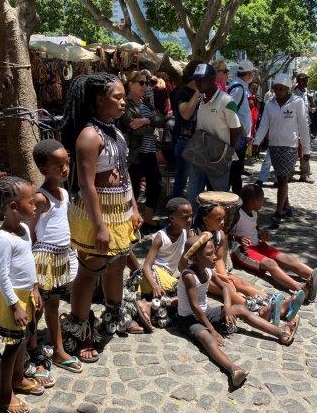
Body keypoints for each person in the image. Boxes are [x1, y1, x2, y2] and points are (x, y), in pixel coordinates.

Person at [61, 74, 142, 363]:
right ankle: (80, 329)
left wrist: (133, 207)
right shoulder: (89, 136)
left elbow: (125, 172)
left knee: (116, 266)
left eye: (123, 97)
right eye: (117, 97)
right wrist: (98, 225)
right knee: (89, 272)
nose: (123, 102)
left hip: (119, 211)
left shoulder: (116, 132)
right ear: (99, 100)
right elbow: (86, 184)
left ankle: (114, 314)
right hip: (97, 214)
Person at [176, 233, 299, 388]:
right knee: (207, 338)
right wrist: (212, 330)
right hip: (188, 318)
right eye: (209, 254)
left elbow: (226, 287)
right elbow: (195, 307)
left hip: (205, 312)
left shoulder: (207, 270)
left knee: (240, 308)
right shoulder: (189, 276)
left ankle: (280, 333)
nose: (215, 257)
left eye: (214, 252)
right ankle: (233, 369)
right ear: (195, 257)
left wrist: (227, 308)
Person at [0, 176, 46, 413]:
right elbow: (2, 277)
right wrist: (14, 305)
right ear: (12, 206)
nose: (35, 205)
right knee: (11, 348)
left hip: (27, 295)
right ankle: (4, 394)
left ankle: (19, 379)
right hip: (13, 299)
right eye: (30, 202)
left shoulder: (23, 230)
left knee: (22, 341)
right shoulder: (3, 240)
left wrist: (35, 288)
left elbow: (28, 263)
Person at [189, 203, 304, 324]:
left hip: (214, 272)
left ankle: (276, 302)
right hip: (197, 275)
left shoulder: (220, 234)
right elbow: (196, 264)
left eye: (223, 218)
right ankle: (262, 310)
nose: (222, 222)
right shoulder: (194, 235)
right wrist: (223, 280)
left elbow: (218, 259)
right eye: (218, 219)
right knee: (228, 289)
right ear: (205, 219)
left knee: (239, 282)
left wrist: (225, 277)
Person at [233, 184, 317, 301]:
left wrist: (260, 235)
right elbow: (225, 234)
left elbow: (253, 229)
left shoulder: (254, 212)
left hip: (259, 245)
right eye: (261, 200)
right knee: (271, 264)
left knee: (288, 259)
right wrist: (238, 238)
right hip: (244, 251)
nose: (263, 202)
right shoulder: (237, 215)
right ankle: (301, 289)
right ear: (251, 201)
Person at [29, 139, 83, 376]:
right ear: (43, 169)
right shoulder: (41, 199)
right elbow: (29, 233)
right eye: (58, 165)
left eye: (67, 163)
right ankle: (31, 351)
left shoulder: (63, 193)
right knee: (37, 308)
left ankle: (59, 350)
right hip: (44, 262)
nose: (65, 169)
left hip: (63, 258)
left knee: (53, 305)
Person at [253, 73, 310, 227]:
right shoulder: (270, 104)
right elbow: (264, 124)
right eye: (276, 88)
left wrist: (306, 150)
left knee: (282, 179)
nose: (278, 91)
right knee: (281, 177)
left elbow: (304, 127)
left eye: (282, 89)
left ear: (287, 89)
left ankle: (278, 212)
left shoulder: (297, 103)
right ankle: (287, 206)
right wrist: (256, 142)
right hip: (274, 146)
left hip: (290, 147)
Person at [186, 63, 242, 210]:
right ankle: (192, 229)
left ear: (212, 79)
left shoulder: (227, 101)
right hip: (198, 155)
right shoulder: (201, 101)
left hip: (218, 158)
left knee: (220, 199)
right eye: (196, 80)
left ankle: (221, 232)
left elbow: (236, 129)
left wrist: (228, 154)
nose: (198, 83)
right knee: (193, 196)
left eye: (201, 80)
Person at [120, 70, 164, 230]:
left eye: (147, 83)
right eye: (141, 83)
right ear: (130, 84)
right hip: (136, 153)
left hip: (150, 151)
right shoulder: (125, 104)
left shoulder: (146, 102)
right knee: (135, 188)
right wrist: (150, 124)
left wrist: (145, 120)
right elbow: (135, 129)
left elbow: (161, 120)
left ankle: (148, 219)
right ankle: (131, 222)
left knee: (156, 185)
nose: (145, 86)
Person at [140, 197, 194, 298]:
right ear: (172, 218)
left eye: (191, 216)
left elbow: (185, 262)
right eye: (185, 217)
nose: (189, 220)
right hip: (155, 273)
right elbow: (146, 266)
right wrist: (155, 286)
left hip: (168, 276)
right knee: (185, 293)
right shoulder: (161, 237)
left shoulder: (186, 233)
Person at [170, 61, 203, 198]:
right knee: (182, 180)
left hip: (198, 142)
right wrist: (198, 92)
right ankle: (177, 210)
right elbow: (186, 114)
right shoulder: (181, 92)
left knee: (197, 181)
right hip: (186, 141)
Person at [228, 60, 256, 194]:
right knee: (235, 169)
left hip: (240, 134)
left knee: (236, 169)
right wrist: (242, 129)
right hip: (237, 135)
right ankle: (235, 197)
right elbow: (230, 110)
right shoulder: (238, 88)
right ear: (249, 73)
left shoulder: (240, 86)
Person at [293, 73, 315, 183]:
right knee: (294, 148)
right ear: (297, 81)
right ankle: (289, 172)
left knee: (306, 148)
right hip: (293, 125)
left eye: (306, 80)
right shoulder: (292, 93)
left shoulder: (307, 93)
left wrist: (312, 103)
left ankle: (305, 173)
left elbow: (312, 110)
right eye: (303, 80)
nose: (305, 82)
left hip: (305, 125)